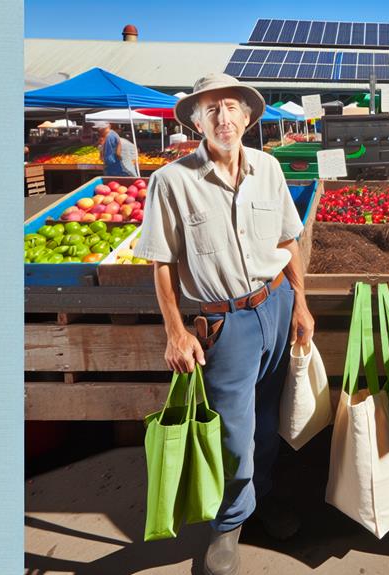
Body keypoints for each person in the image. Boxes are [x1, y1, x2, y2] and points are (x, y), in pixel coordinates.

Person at [134, 73, 314, 575]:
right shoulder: (171, 181)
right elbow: (161, 262)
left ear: (248, 117)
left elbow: (288, 241)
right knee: (233, 431)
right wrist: (175, 330)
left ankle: (264, 495)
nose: (223, 117)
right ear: (195, 121)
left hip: (274, 306)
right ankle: (230, 522)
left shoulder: (270, 169)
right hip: (222, 324)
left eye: (231, 106)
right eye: (210, 109)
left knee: (266, 421)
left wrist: (300, 304)